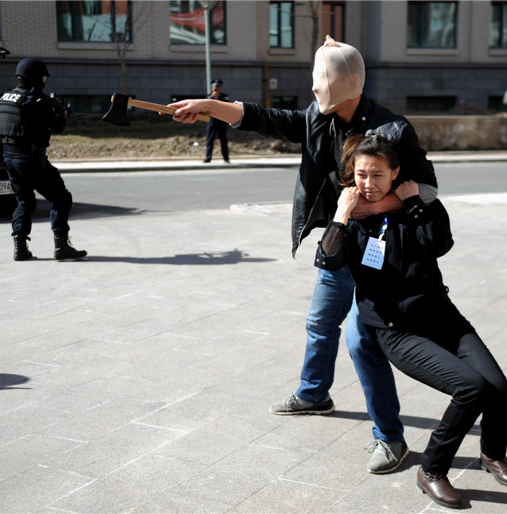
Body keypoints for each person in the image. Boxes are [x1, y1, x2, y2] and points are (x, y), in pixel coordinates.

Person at [168, 36, 439, 474]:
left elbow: (425, 190)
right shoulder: (318, 118)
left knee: (360, 339)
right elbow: (262, 117)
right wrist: (208, 104)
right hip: (339, 245)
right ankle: (314, 394)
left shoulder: (393, 131)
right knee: (319, 321)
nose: (314, 88)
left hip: (380, 251)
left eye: (322, 78)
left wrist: (360, 208)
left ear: (350, 82)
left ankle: (390, 438)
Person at [316, 134, 507, 509]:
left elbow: (439, 243)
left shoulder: (416, 207)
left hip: (442, 317)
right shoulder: (352, 221)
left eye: (378, 175)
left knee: (500, 390)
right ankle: (431, 471)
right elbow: (327, 261)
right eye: (361, 174)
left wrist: (412, 200)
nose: (368, 183)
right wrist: (341, 216)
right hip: (397, 329)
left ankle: (492, 453)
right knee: (472, 389)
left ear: (395, 173)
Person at [0, 57, 87, 262]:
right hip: (31, 159)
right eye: (44, 77)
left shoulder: (4, 98)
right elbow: (57, 126)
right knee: (61, 198)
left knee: (24, 202)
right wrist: (62, 114)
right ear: (38, 78)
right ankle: (62, 246)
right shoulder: (36, 102)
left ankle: (20, 248)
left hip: (10, 159)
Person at [204, 79, 231, 163]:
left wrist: (217, 98)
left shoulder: (224, 97)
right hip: (211, 122)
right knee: (210, 140)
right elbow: (205, 106)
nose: (216, 88)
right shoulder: (208, 97)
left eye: (218, 87)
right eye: (215, 87)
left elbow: (227, 105)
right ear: (212, 87)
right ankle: (208, 157)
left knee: (223, 140)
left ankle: (226, 158)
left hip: (222, 121)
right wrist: (213, 97)